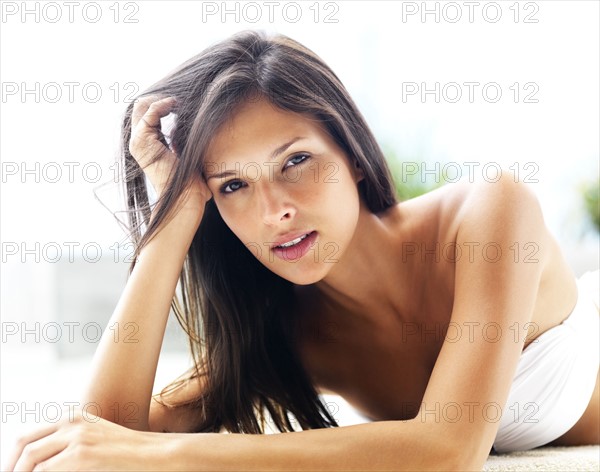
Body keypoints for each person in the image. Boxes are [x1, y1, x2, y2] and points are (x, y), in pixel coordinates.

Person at [6, 30, 599, 472]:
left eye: (296, 161)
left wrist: (166, 455)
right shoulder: (285, 334)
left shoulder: (491, 213)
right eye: (233, 185)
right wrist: (173, 217)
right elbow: (99, 439)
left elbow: (447, 450)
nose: (274, 211)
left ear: (353, 154)